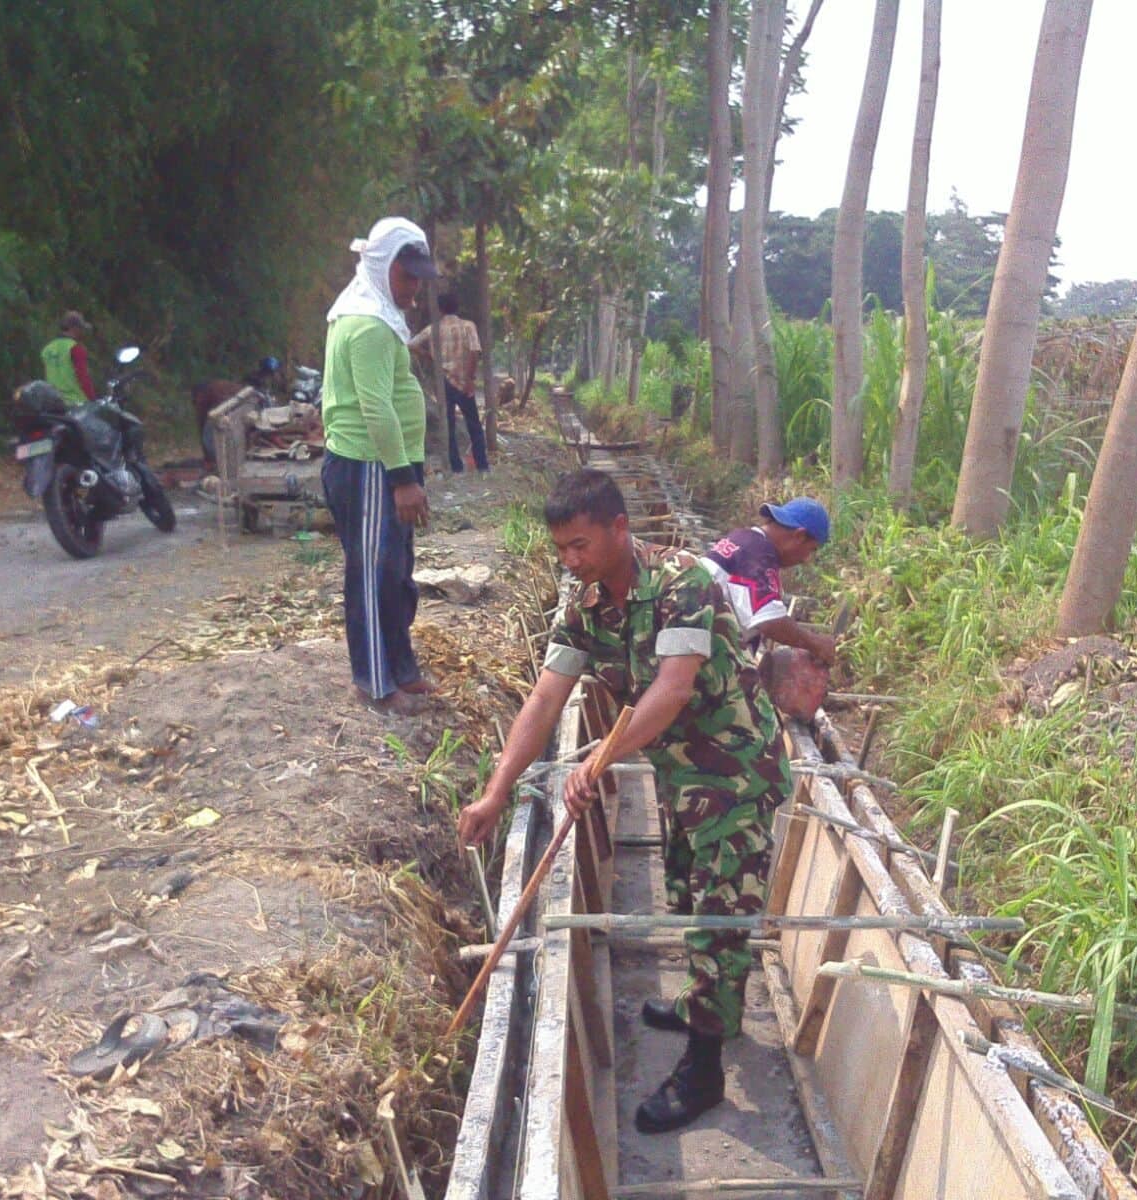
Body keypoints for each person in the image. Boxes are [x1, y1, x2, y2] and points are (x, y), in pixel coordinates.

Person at [457, 468, 791, 1134]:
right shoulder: (585, 607)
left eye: (580, 545)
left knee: (722, 911)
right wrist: (496, 791)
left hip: (733, 771)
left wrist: (600, 760)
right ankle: (709, 1004)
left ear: (618, 528)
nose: (572, 561)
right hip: (680, 774)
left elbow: (669, 691)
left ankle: (703, 1072)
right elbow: (546, 697)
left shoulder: (682, 583)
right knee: (694, 897)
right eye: (562, 551)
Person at [319, 217, 440, 717]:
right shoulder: (366, 324)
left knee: (395, 571)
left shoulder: (381, 317)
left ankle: (401, 667)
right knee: (371, 576)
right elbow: (375, 408)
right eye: (405, 275)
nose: (413, 286)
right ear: (380, 266)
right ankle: (374, 681)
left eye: (417, 276)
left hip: (386, 465)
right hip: (369, 466)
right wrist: (404, 479)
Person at [701, 496, 835, 665]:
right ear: (799, 535)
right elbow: (769, 620)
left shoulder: (742, 538)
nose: (806, 559)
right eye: (811, 550)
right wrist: (815, 644)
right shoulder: (757, 552)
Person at [409, 292, 488, 474]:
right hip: (463, 381)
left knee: (449, 425)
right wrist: (469, 380)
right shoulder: (468, 326)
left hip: (444, 381)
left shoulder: (433, 329)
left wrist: (429, 356)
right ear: (456, 307)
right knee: (474, 424)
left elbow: (411, 344)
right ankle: (482, 466)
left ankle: (456, 467)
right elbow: (475, 352)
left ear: (440, 309)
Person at [41, 311, 97, 409]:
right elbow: (83, 378)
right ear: (74, 328)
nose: (82, 332)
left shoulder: (47, 349)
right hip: (77, 404)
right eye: (81, 328)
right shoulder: (75, 348)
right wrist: (93, 401)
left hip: (54, 404)